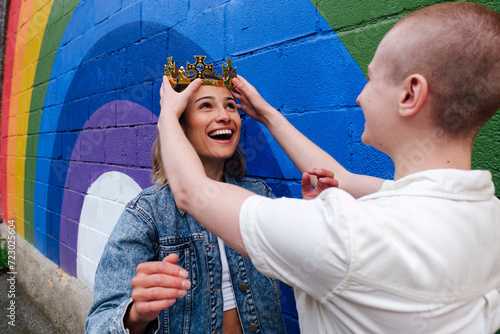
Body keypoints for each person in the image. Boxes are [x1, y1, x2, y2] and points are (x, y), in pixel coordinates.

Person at [157, 2, 500, 333]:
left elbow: (192, 192)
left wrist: (168, 113)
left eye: (371, 79)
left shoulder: (347, 234)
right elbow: (345, 180)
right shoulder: (485, 214)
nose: (360, 96)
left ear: (410, 94)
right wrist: (267, 115)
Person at [85, 73, 295, 333]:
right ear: (180, 126)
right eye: (206, 105)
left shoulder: (259, 195)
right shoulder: (149, 213)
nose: (225, 116)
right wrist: (136, 313)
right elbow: (98, 324)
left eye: (230, 105)